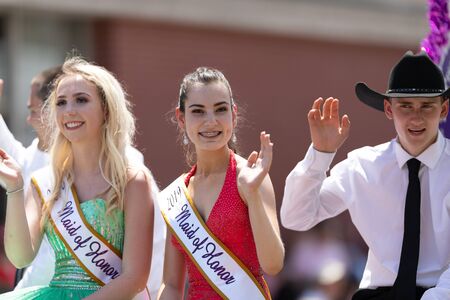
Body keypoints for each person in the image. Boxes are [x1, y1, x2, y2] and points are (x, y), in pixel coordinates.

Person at [280, 50, 450, 300]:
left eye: (427, 106)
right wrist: (320, 154)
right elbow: (296, 217)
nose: (416, 117)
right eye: (405, 106)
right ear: (389, 109)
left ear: (444, 110)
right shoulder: (361, 166)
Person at [0, 67, 166, 299]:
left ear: (106, 110)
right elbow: (20, 257)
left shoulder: (132, 181)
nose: (69, 111)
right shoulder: (45, 181)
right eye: (61, 103)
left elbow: (135, 278)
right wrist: (15, 188)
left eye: (81, 100)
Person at [158, 67, 285, 299]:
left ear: (233, 115)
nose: (211, 121)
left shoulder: (250, 177)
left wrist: (253, 194)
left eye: (220, 109)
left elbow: (273, 264)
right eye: (198, 111)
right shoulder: (178, 194)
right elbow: (172, 285)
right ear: (180, 117)